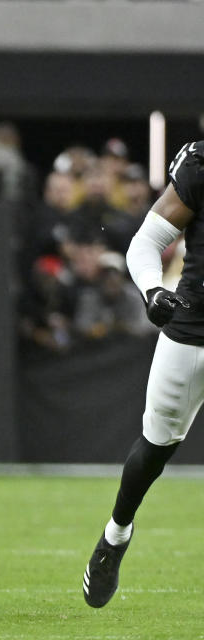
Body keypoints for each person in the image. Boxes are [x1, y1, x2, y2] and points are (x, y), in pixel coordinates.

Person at [82, 140, 204, 608]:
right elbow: (147, 241)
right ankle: (115, 536)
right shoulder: (200, 166)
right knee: (155, 446)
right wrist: (153, 290)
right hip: (195, 326)